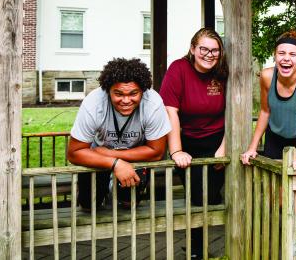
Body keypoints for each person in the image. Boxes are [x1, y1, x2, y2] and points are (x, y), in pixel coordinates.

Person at [159, 28, 228, 259]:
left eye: (215, 50)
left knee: (211, 195)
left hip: (218, 141)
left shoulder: (223, 72)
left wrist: (224, 146)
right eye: (204, 49)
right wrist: (176, 150)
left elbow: (234, 111)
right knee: (199, 198)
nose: (209, 54)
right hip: (187, 141)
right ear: (192, 49)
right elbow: (171, 112)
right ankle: (197, 251)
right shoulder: (179, 69)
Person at [67, 58, 171, 210]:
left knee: (129, 204)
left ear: (143, 90)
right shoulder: (94, 103)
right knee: (88, 205)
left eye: (133, 93)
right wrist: (115, 163)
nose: (126, 100)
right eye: (118, 94)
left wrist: (110, 154)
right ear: (108, 90)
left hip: (133, 157)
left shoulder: (153, 103)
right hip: (98, 157)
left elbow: (156, 152)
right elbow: (74, 153)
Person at [241, 30, 296, 216]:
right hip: (274, 140)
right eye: (281, 53)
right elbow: (264, 111)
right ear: (274, 56)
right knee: (276, 205)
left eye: (292, 54)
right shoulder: (267, 76)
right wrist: (252, 147)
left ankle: (294, 243)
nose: (286, 59)